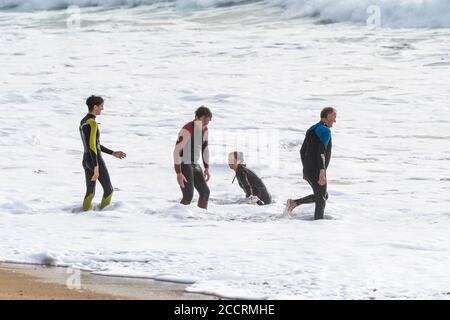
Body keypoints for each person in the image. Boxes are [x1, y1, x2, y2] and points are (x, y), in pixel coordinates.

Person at [284, 107, 337, 219]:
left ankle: (294, 203)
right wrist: (321, 171)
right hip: (317, 170)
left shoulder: (312, 128)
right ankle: (318, 228)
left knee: (322, 196)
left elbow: (302, 151)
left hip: (309, 170)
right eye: (333, 117)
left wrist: (306, 168)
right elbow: (321, 152)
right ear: (327, 117)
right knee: (321, 201)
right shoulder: (325, 130)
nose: (335, 120)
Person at [79, 95, 126, 211]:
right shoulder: (93, 123)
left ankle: (83, 215)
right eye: (101, 106)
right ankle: (103, 218)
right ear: (95, 107)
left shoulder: (83, 121)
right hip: (95, 160)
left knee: (90, 192)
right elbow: (93, 146)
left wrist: (113, 153)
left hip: (85, 160)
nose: (102, 109)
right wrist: (96, 167)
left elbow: (94, 144)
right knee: (109, 190)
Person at [173, 106, 212, 209]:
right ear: (196, 117)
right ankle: (175, 218)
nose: (205, 123)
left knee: (205, 192)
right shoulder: (187, 129)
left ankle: (200, 218)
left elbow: (205, 148)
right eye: (204, 120)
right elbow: (176, 151)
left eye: (208, 121)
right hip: (184, 164)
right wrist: (178, 173)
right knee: (188, 196)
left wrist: (207, 168)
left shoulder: (205, 130)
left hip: (194, 164)